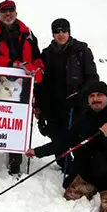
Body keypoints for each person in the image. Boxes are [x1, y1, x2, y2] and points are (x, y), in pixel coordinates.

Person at [25, 81, 107, 212]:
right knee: (69, 198)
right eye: (92, 96)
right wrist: (37, 151)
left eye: (100, 95)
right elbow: (64, 141)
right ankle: (94, 190)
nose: (96, 99)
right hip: (90, 175)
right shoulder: (83, 119)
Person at [0, 0, 44, 175]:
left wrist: (39, 70)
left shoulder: (28, 33)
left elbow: (37, 56)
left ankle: (15, 163)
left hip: (21, 86)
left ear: (16, 13)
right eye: (4, 11)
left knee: (17, 122)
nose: (8, 14)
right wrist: (16, 64)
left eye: (11, 10)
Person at [36, 18, 99, 173]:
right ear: (53, 34)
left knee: (78, 138)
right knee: (56, 137)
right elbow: (40, 82)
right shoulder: (46, 54)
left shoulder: (81, 51)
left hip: (77, 105)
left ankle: (82, 170)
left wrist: (81, 95)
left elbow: (92, 77)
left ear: (69, 32)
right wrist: (39, 105)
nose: (61, 34)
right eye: (57, 31)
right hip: (53, 104)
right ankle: (66, 166)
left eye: (64, 30)